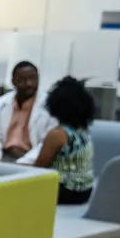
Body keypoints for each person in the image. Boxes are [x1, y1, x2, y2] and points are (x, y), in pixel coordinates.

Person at [35, 76, 96, 206]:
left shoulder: (57, 134)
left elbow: (38, 168)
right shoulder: (82, 132)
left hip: (66, 190)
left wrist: (9, 167)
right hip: (85, 190)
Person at [0, 61, 55, 164]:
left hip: (32, 160)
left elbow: (45, 144)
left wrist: (21, 163)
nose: (29, 83)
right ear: (13, 81)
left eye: (33, 78)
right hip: (3, 156)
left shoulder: (50, 106)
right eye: (23, 80)